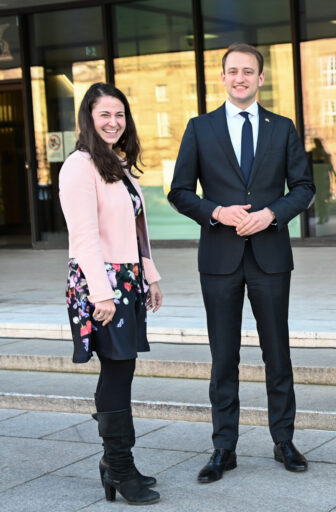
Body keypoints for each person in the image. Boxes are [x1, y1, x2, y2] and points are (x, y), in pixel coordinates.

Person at [168, 43, 315, 483]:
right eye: (233, 71)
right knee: (223, 357)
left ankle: (284, 440)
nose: (240, 78)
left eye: (248, 71)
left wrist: (272, 214)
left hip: (270, 257)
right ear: (223, 77)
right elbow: (179, 191)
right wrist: (215, 212)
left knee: (278, 354)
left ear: (261, 78)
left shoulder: (282, 128)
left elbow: (304, 187)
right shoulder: (200, 128)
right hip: (219, 258)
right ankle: (223, 448)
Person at [59, 82, 163, 505]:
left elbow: (135, 232)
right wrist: (103, 294)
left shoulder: (116, 165)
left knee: (123, 369)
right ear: (88, 118)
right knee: (116, 370)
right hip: (99, 283)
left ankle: (117, 462)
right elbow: (83, 237)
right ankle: (118, 468)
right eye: (105, 114)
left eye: (119, 115)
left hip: (127, 280)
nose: (113, 122)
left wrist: (150, 276)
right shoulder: (78, 166)